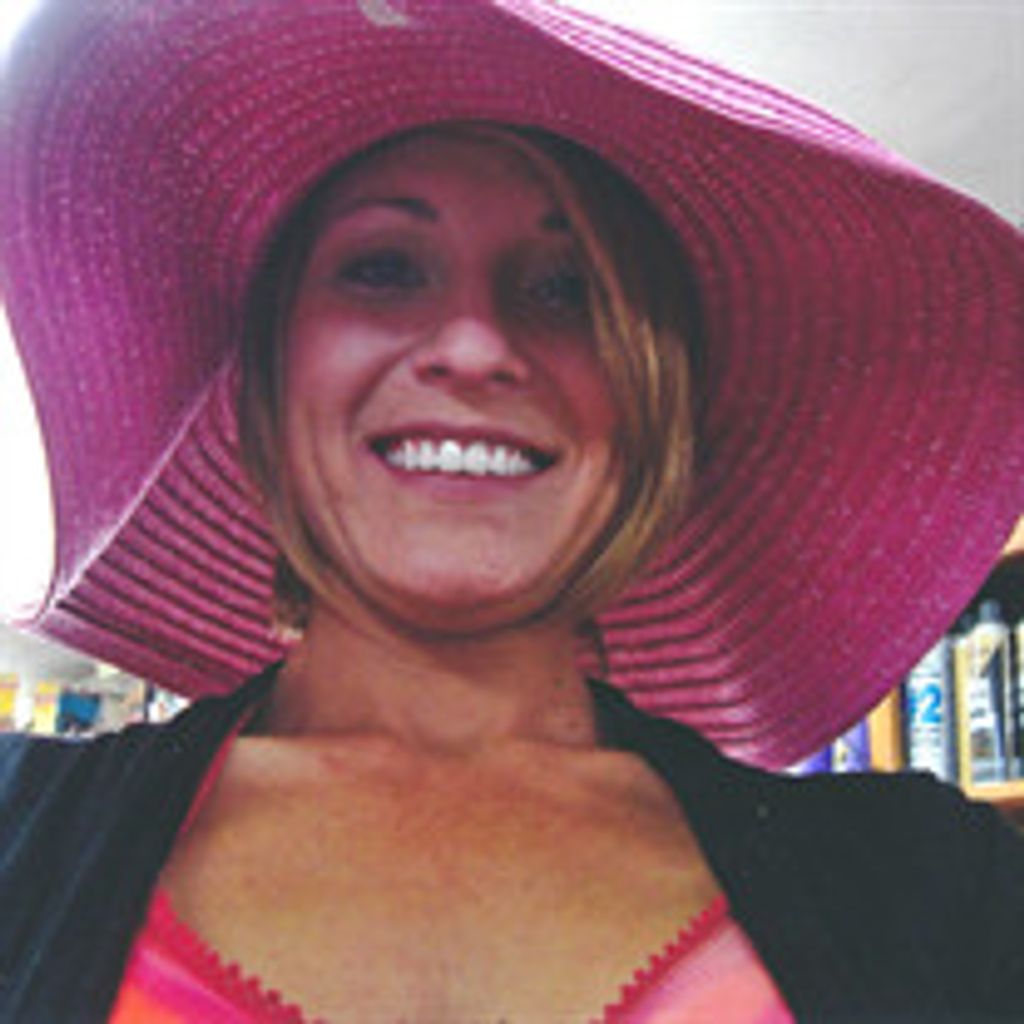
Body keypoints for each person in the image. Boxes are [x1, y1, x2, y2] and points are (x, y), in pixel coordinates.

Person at [1, 2, 1022, 1022]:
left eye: (566, 289)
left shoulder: (938, 893)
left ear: (652, 405)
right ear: (264, 386)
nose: (475, 344)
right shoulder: (17, 837)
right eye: (384, 269)